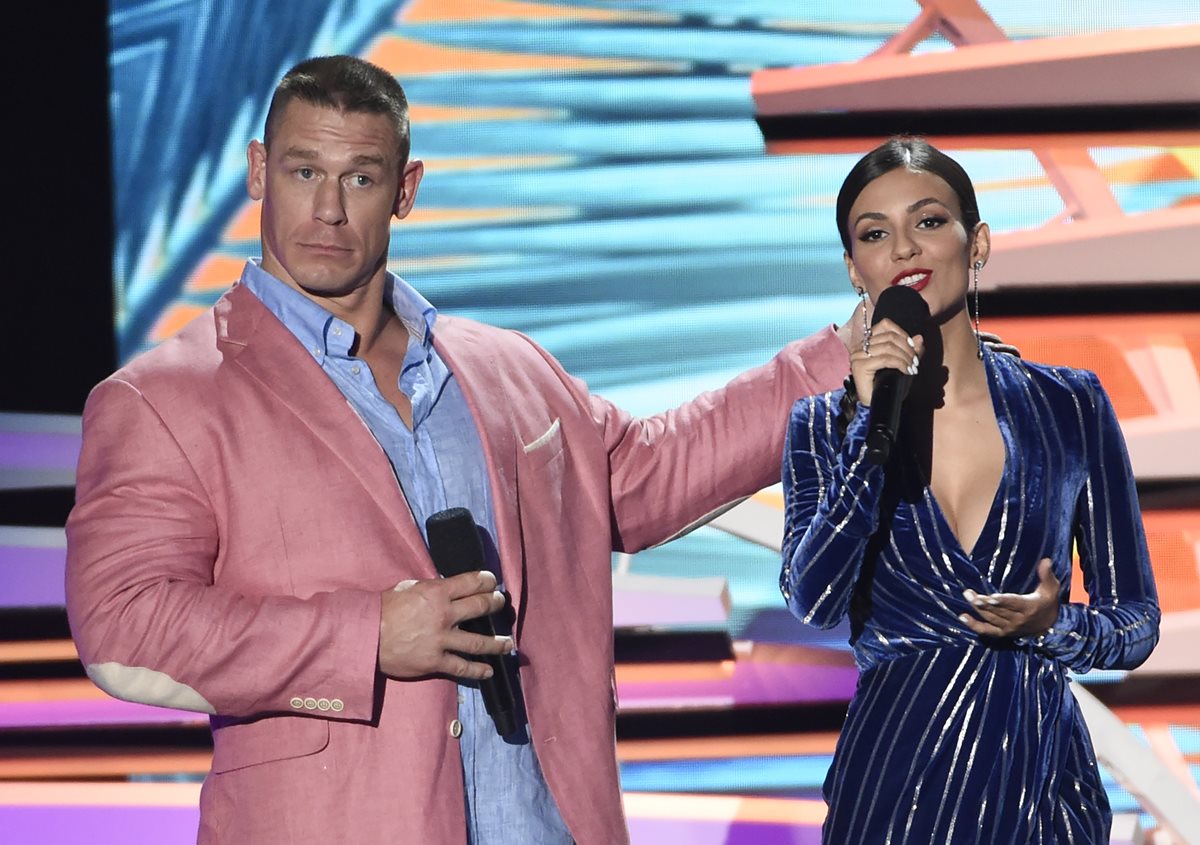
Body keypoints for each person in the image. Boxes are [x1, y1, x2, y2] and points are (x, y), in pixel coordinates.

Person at [65, 56, 855, 844]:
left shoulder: (505, 365)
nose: (329, 209)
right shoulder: (165, 397)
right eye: (306, 170)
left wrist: (849, 355)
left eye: (361, 178)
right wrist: (368, 635)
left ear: (405, 191)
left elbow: (648, 475)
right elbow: (123, 624)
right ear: (259, 172)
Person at [779, 136, 1160, 844]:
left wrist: (1059, 627)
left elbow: (1137, 619)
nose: (903, 249)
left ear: (975, 242)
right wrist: (868, 430)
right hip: (896, 791)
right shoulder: (820, 426)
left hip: (1039, 787)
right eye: (874, 234)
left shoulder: (1071, 405)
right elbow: (813, 598)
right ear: (853, 267)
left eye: (928, 221)